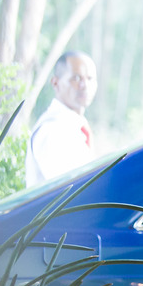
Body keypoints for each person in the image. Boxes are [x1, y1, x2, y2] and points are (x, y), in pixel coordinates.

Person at [25, 51, 99, 187]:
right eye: (76, 78)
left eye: (90, 79)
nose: (84, 85)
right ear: (55, 83)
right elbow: (71, 189)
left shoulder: (76, 126)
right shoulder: (52, 129)